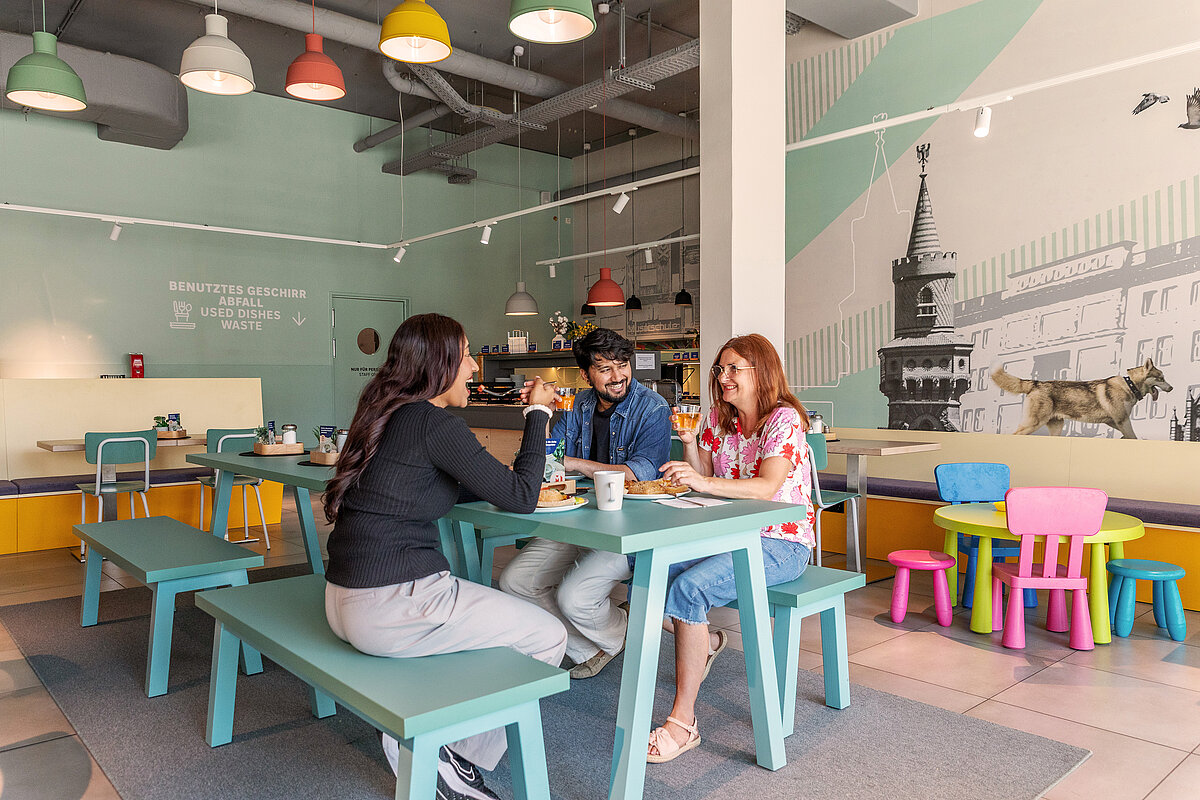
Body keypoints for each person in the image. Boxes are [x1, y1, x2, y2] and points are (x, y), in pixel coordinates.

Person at [322, 313, 568, 800]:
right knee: (547, 636)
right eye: (468, 354)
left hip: (343, 601)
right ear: (441, 363)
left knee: (491, 622)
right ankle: (450, 754)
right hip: (395, 606)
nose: (475, 366)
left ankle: (431, 733)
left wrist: (485, 479)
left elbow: (431, 491)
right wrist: (538, 415)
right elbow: (521, 496)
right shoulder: (434, 423)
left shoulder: (385, 414)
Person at [646, 333, 815, 763]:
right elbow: (703, 473)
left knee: (688, 591)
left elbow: (766, 487)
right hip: (729, 536)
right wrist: (688, 445)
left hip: (781, 541)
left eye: (733, 368)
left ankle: (683, 724)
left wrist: (702, 481)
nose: (723, 377)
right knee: (648, 565)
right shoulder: (719, 420)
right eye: (720, 369)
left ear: (762, 373)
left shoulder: (784, 420)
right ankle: (703, 640)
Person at [499, 328, 671, 679]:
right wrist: (539, 415)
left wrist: (576, 464)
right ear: (585, 374)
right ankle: (601, 642)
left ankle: (612, 629)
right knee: (514, 582)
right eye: (605, 368)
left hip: (631, 528)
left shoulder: (653, 408)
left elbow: (637, 474)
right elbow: (550, 458)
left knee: (573, 598)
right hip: (578, 519)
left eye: (623, 365)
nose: (618, 376)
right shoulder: (581, 403)